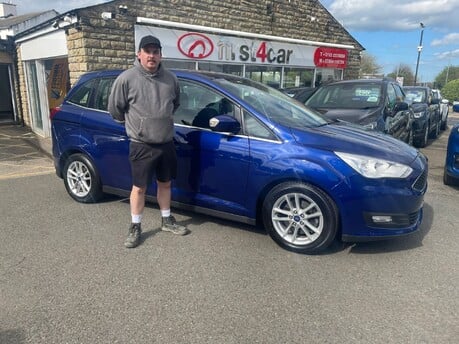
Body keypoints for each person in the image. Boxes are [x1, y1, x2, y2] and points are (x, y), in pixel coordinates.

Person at [108, 35, 189, 249]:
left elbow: (176, 104)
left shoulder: (171, 79)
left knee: (165, 183)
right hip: (141, 144)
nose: (151, 55)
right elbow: (115, 109)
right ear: (139, 54)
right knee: (139, 188)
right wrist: (138, 126)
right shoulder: (126, 79)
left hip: (166, 142)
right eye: (147, 51)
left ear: (160, 54)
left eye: (155, 51)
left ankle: (166, 220)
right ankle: (135, 227)